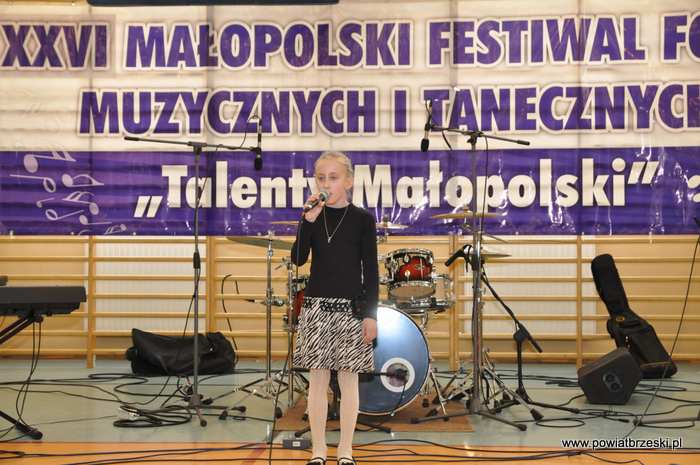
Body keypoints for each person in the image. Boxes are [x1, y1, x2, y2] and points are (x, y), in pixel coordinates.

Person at [291, 151, 378, 465]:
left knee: (348, 380)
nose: (326, 183)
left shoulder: (363, 220)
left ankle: (345, 449)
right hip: (316, 306)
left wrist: (370, 314)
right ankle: (318, 449)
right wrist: (306, 222)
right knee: (317, 380)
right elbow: (298, 258)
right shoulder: (313, 217)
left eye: (333, 177)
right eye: (321, 178)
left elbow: (371, 270)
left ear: (349, 181)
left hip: (350, 309)